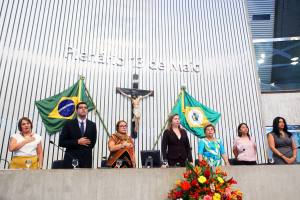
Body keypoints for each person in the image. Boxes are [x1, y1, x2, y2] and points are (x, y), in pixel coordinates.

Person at [59, 101, 97, 168]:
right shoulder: (68, 124)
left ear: (87, 111)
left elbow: (92, 143)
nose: (83, 109)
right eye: (80, 107)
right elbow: (61, 142)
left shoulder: (92, 125)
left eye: (85, 108)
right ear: (76, 111)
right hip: (71, 159)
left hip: (86, 160)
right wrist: (77, 142)